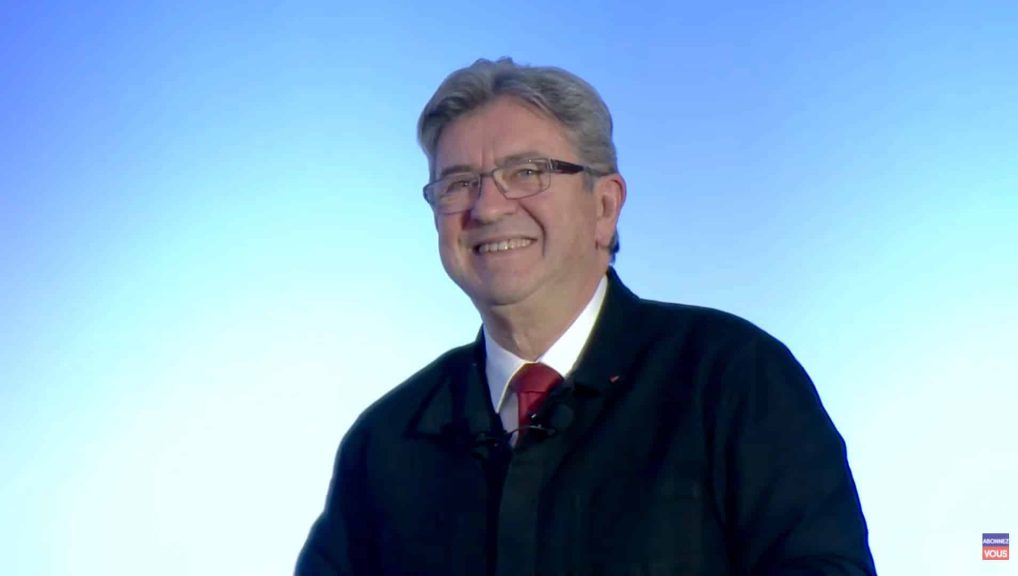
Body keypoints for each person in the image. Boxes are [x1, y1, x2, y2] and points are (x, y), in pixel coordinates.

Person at [296, 57, 876, 576]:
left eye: (527, 172)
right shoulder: (386, 441)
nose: (488, 207)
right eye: (459, 183)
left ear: (604, 206)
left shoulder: (732, 379)